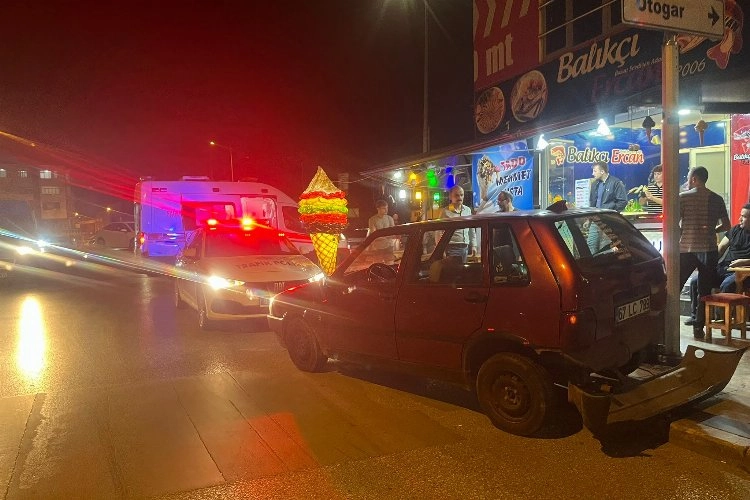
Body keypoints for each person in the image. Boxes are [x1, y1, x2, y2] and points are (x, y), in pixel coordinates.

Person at [679, 166, 731, 338]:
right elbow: (726, 225)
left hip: (686, 249)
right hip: (709, 249)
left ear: (694, 179)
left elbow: (675, 224)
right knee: (705, 290)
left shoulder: (683, 198)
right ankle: (698, 327)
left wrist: (683, 232)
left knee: (676, 285)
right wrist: (711, 230)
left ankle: (667, 324)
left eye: (688, 177)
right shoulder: (717, 199)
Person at [686, 203, 750, 325]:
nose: (740, 219)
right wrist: (707, 264)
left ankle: (721, 320)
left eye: (744, 216)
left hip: (742, 273)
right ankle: (697, 317)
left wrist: (744, 262)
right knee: (696, 281)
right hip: (725, 268)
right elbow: (721, 248)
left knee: (727, 284)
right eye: (740, 215)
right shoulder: (735, 230)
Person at [438, 185, 476, 262]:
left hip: (465, 248)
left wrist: (474, 245)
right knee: (454, 269)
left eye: (461, 195)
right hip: (451, 248)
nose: (459, 197)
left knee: (463, 269)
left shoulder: (467, 210)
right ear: (450, 197)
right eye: (456, 195)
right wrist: (441, 249)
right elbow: (439, 232)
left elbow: (471, 229)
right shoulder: (445, 212)